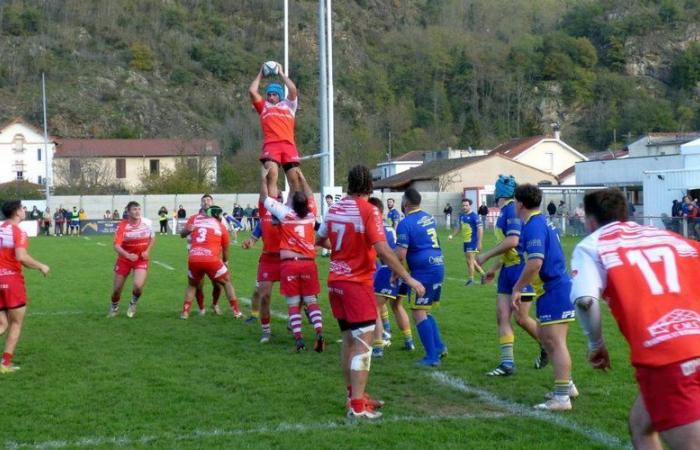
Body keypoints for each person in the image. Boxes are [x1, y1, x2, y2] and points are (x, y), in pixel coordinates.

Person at [571, 188, 700, 448]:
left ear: (590, 220)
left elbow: (585, 301)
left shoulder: (592, 245)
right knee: (640, 424)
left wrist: (596, 345)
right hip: (689, 342)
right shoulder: (669, 236)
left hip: (669, 353)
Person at [316, 165, 425, 420]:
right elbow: (384, 249)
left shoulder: (335, 208)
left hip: (335, 282)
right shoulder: (369, 211)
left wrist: (342, 249)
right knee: (363, 344)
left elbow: (319, 239)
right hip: (356, 284)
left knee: (348, 342)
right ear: (370, 185)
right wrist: (408, 277)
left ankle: (353, 396)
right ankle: (356, 406)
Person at [511, 184, 576, 411]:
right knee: (550, 341)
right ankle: (567, 387)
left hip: (555, 288)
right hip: (556, 287)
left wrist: (518, 287)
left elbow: (536, 261)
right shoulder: (541, 222)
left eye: (514, 202)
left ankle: (561, 398)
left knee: (555, 344)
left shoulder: (533, 226)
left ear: (519, 203)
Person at [476, 175, 547, 376]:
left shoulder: (511, 210)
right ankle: (507, 363)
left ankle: (549, 345)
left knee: (522, 318)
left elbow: (513, 241)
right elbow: (509, 250)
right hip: (508, 270)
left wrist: (486, 256)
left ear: (498, 192)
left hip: (520, 270)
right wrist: (494, 268)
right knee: (503, 315)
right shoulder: (506, 210)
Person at [261, 167, 324, 352]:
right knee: (311, 301)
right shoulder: (311, 215)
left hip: (290, 264)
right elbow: (311, 196)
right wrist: (303, 178)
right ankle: (319, 331)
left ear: (291, 204)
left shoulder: (285, 214)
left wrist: (263, 179)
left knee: (293, 303)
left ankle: (299, 339)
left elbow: (265, 198)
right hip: (308, 263)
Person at [394, 188, 446, 367]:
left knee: (418, 311)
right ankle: (439, 347)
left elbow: (401, 253)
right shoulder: (428, 217)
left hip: (423, 269)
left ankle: (432, 357)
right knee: (426, 310)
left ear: (406, 203)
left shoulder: (405, 223)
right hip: (438, 263)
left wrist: (392, 267)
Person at [0, 200, 50, 373]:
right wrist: (41, 266)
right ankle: (5, 364)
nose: (24, 210)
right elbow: (21, 257)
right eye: (22, 208)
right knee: (15, 323)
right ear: (16, 212)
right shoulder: (18, 231)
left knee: (2, 325)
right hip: (11, 281)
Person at [368, 197, 415, 358]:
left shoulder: (375, 228)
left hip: (390, 270)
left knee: (373, 308)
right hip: (404, 269)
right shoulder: (388, 227)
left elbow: (377, 253)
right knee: (397, 306)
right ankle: (409, 341)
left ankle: (379, 346)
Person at [249, 61, 302, 201]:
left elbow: (293, 89)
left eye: (274, 94)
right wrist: (261, 73)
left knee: (295, 181)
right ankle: (273, 211)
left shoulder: (289, 105)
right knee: (271, 176)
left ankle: (292, 210)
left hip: (288, 145)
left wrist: (281, 73)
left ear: (279, 95)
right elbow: (252, 91)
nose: (271, 97)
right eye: (269, 94)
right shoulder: (263, 107)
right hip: (271, 145)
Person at [179, 205, 242, 320]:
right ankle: (236, 312)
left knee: (192, 285)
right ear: (217, 215)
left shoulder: (197, 222)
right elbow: (226, 248)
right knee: (227, 282)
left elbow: (182, 234)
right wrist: (226, 263)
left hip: (194, 257)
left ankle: (185, 312)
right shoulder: (220, 226)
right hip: (211, 259)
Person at [241, 194, 282, 343]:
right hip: (268, 260)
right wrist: (248, 243)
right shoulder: (263, 220)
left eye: (279, 198)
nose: (277, 201)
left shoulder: (288, 216)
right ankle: (266, 331)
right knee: (264, 295)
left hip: (287, 259)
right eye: (275, 199)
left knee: (297, 295)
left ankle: (294, 321)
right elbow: (253, 240)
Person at [182, 194, 226, 316]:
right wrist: (188, 230)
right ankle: (201, 308)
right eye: (203, 200)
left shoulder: (219, 219)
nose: (206, 202)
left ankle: (215, 304)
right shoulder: (194, 218)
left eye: (208, 200)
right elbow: (183, 233)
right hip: (196, 255)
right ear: (201, 203)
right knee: (197, 285)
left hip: (214, 255)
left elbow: (224, 237)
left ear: (212, 202)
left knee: (218, 284)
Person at [108, 201, 154, 318]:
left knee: (138, 286)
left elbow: (152, 238)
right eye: (134, 209)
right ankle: (114, 307)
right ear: (128, 212)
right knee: (117, 289)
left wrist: (147, 251)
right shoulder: (122, 225)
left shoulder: (147, 223)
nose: (137, 211)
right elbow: (116, 245)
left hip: (141, 259)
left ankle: (133, 302)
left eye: (138, 209)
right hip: (124, 260)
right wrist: (127, 255)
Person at [448, 198, 484, 285]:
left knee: (470, 261)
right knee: (470, 261)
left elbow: (480, 229)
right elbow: (459, 228)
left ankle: (471, 280)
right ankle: (484, 274)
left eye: (466, 205)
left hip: (473, 241)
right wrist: (452, 235)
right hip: (466, 241)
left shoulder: (474, 216)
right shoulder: (462, 216)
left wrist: (479, 242)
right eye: (463, 205)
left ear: (470, 206)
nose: (464, 207)